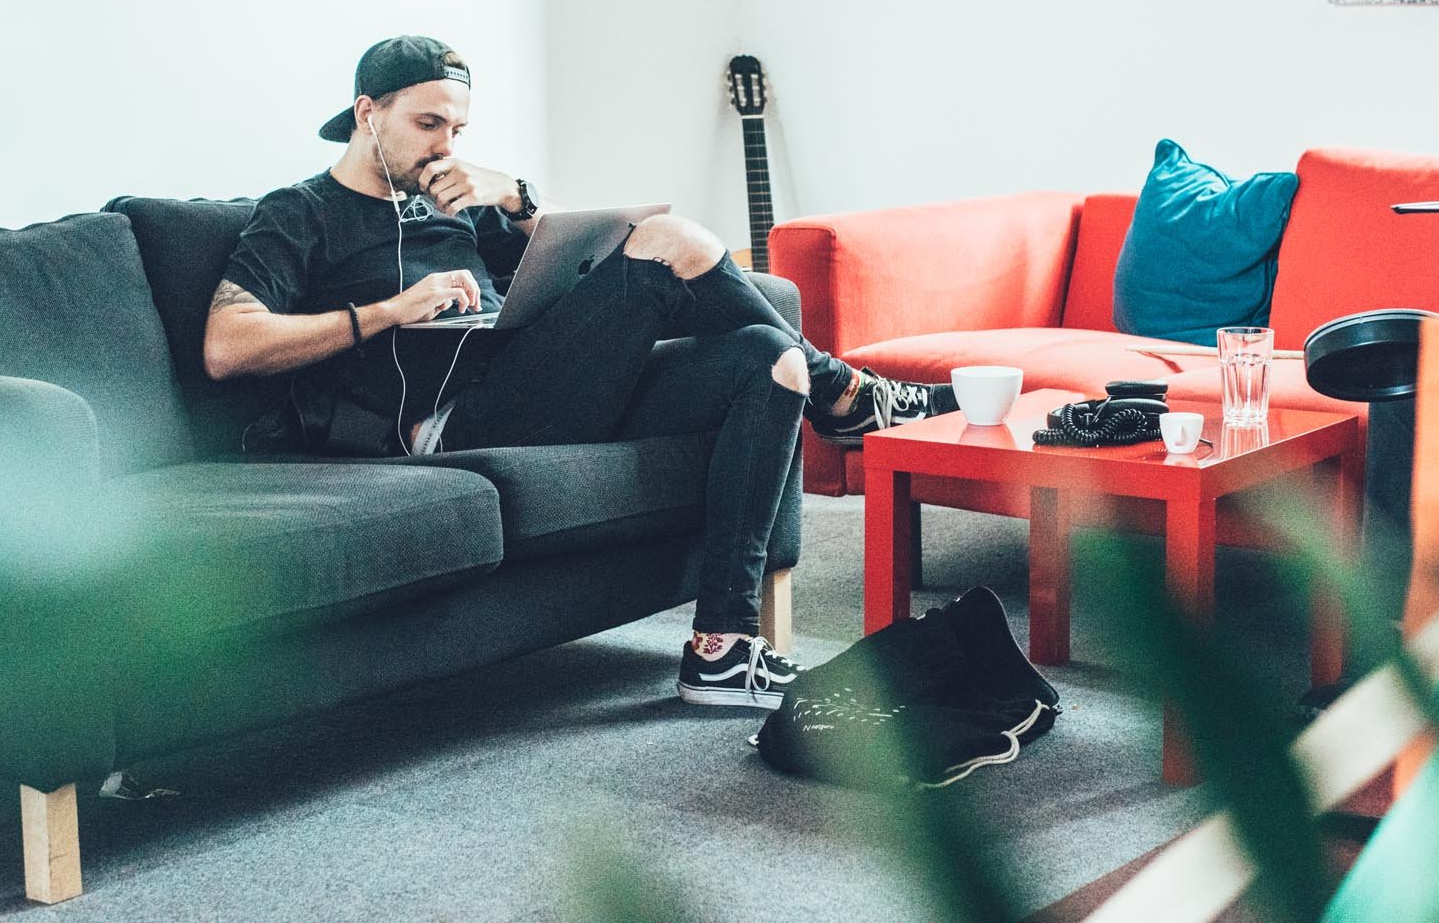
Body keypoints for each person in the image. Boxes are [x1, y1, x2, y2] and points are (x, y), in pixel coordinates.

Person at [202, 35, 957, 709]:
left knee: (772, 360)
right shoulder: (301, 212)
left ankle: (723, 650)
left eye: (458, 129)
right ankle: (852, 396)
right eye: (427, 125)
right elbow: (228, 344)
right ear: (368, 112)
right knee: (670, 240)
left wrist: (515, 196)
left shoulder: (455, 203)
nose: (445, 146)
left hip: (540, 391)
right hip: (447, 427)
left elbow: (586, 246)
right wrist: (391, 310)